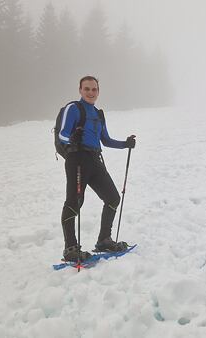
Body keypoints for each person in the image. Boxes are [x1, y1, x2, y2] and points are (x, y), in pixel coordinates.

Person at [58, 75, 136, 262]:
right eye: (87, 89)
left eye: (94, 89)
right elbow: (62, 134)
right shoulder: (73, 108)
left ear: (98, 91)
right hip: (77, 159)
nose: (91, 92)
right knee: (74, 202)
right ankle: (70, 248)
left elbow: (106, 140)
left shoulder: (98, 114)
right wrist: (72, 141)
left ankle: (104, 240)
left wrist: (125, 144)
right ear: (80, 90)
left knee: (113, 198)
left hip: (94, 159)